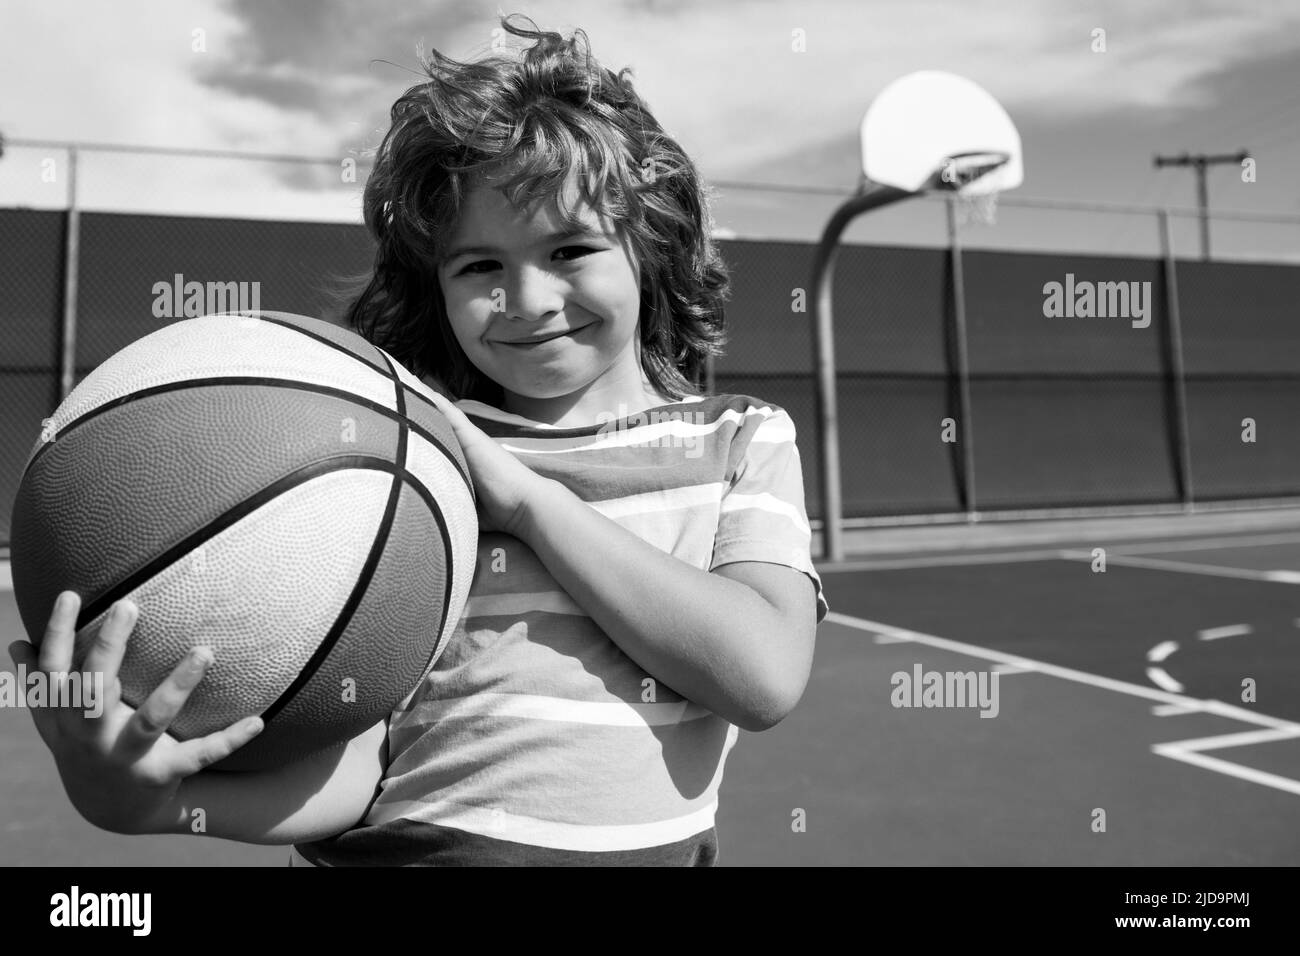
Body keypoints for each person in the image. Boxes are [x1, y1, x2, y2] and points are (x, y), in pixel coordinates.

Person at [8, 13, 828, 866]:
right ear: (434, 285)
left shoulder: (735, 441)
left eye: (571, 249)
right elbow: (366, 768)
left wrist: (530, 506)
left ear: (651, 246)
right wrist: (162, 804)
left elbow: (761, 675)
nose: (527, 300)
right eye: (480, 266)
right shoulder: (414, 453)